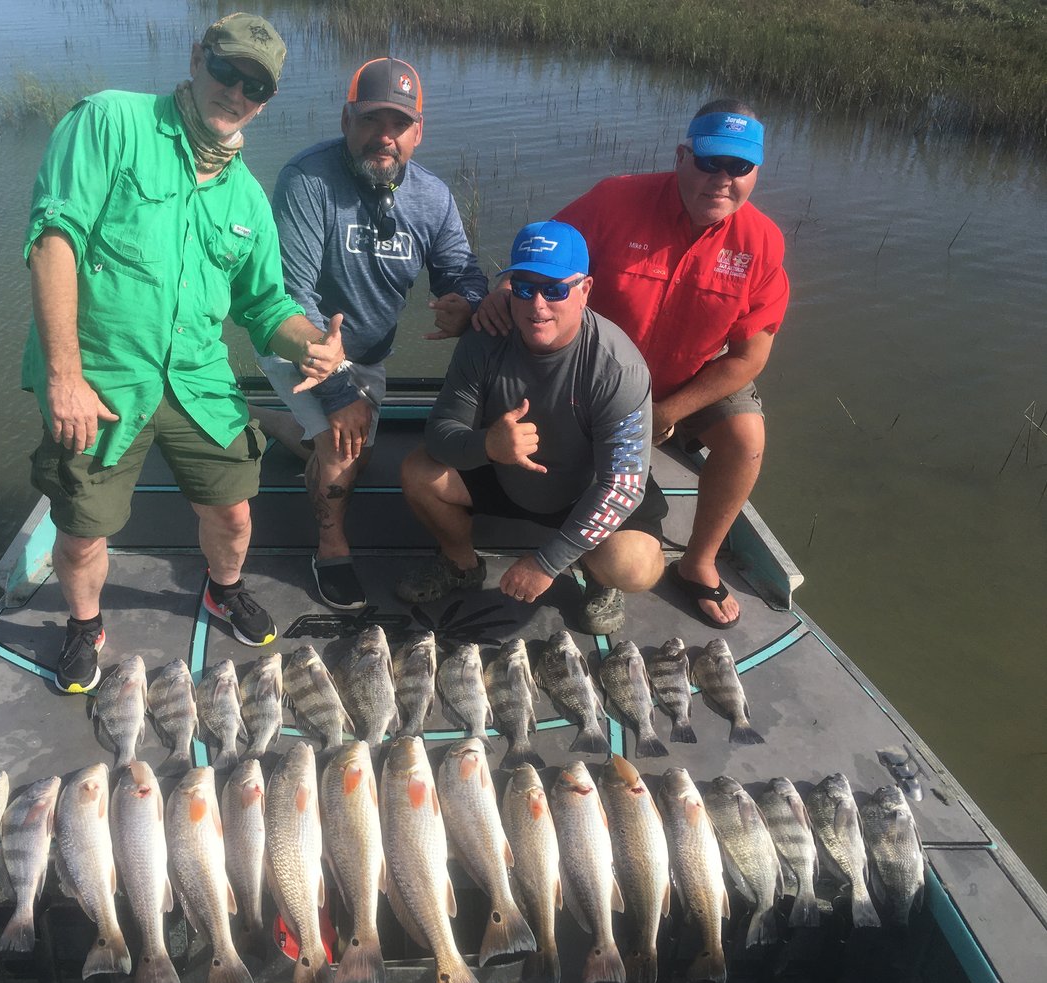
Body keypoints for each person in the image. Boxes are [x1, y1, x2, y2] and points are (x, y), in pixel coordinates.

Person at [21, 13, 345, 693]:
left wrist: (313, 345)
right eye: (226, 70)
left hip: (200, 378)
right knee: (82, 529)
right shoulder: (110, 122)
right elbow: (55, 238)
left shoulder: (247, 197)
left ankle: (222, 589)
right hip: (102, 377)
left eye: (255, 87)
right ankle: (84, 625)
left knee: (232, 511)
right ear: (198, 58)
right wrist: (64, 375)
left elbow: (265, 309)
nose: (237, 92)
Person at [475, 99, 790, 629]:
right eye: (710, 161)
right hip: (595, 377)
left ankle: (697, 562)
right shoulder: (616, 199)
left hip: (685, 381)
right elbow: (547, 258)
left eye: (740, 167)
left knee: (747, 437)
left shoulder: (762, 243)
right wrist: (502, 289)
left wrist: (669, 410)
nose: (722, 179)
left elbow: (749, 356)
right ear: (682, 155)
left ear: (756, 171)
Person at [253, 56, 487, 611]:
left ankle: (259, 419)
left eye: (399, 125)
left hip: (368, 356)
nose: (384, 137)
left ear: (418, 131)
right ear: (346, 120)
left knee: (342, 442)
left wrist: (467, 302)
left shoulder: (431, 198)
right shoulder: (308, 179)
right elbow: (289, 293)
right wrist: (337, 389)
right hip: (298, 343)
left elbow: (461, 267)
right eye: (371, 121)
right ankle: (330, 549)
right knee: (344, 444)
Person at [396, 221, 666, 635]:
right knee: (418, 472)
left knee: (636, 565)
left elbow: (623, 486)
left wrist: (547, 563)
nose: (537, 305)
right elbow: (439, 433)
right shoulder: (485, 338)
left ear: (585, 290)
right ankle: (460, 563)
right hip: (504, 474)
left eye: (555, 289)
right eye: (524, 287)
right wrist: (488, 444)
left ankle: (599, 578)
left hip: (585, 490)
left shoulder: (618, 367)